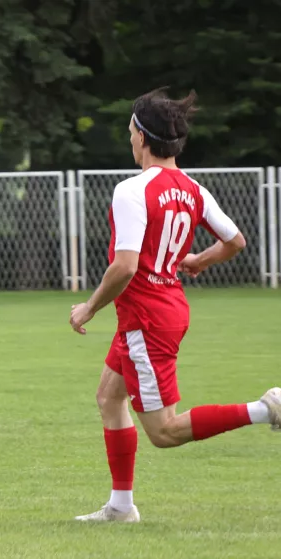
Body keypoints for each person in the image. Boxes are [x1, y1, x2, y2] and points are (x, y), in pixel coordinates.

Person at [69, 88, 281, 523]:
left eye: (130, 131)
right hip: (162, 310)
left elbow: (124, 266)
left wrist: (89, 308)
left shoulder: (131, 190)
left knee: (164, 432)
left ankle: (268, 409)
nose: (129, 139)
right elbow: (236, 240)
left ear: (143, 137)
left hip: (146, 320)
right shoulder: (193, 189)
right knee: (110, 398)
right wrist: (198, 260)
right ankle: (121, 507)